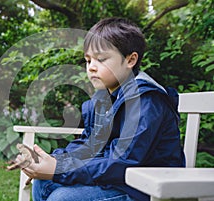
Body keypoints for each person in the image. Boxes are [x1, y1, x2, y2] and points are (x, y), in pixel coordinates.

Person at [16, 17, 185, 201]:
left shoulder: (145, 101)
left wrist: (58, 171)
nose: (92, 68)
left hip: (141, 188)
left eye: (101, 59)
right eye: (88, 60)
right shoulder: (104, 99)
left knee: (62, 198)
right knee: (43, 183)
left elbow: (122, 162)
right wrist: (53, 161)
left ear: (130, 60)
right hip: (115, 179)